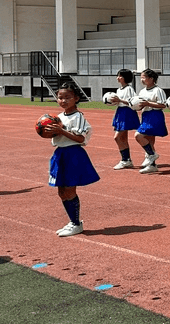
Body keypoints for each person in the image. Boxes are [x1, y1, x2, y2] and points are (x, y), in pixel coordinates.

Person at [45, 82, 100, 237]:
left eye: (67, 97)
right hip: (60, 154)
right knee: (61, 191)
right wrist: (49, 131)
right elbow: (56, 135)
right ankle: (72, 221)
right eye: (60, 97)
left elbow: (80, 138)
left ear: (76, 98)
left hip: (73, 154)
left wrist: (61, 130)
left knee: (69, 189)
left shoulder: (78, 116)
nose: (63, 100)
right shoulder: (58, 117)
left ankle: (76, 223)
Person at [134, 69, 167, 174]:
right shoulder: (142, 91)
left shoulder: (158, 90)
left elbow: (162, 105)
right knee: (149, 140)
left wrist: (148, 103)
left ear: (151, 79)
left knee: (138, 135)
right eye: (141, 77)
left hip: (155, 115)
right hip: (145, 115)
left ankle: (152, 155)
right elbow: (141, 104)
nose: (141, 80)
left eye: (144, 77)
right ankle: (152, 165)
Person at [108, 68, 139, 170]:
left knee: (117, 137)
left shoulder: (129, 89)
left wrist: (120, 100)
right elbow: (120, 102)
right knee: (123, 138)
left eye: (120, 76)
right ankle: (127, 160)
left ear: (125, 78)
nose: (118, 78)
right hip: (120, 112)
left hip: (127, 112)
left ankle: (125, 159)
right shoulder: (118, 89)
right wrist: (113, 102)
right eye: (118, 75)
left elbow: (133, 102)